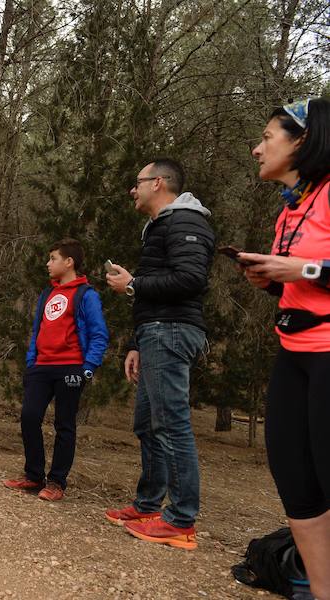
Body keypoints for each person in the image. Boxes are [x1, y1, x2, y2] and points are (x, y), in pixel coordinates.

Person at [237, 97, 330, 599]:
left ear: (302, 140)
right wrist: (269, 280)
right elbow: (298, 283)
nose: (257, 148)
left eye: (267, 137)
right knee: (296, 482)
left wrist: (304, 269)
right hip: (293, 353)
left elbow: (313, 272)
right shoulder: (289, 212)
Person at [104, 158, 215, 550]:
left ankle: (181, 520)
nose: (132, 191)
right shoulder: (161, 226)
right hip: (154, 333)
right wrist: (135, 343)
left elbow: (191, 279)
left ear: (159, 183)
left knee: (171, 425)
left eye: (137, 183)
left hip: (171, 331)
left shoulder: (186, 221)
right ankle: (149, 505)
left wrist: (134, 284)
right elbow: (155, 288)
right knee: (147, 424)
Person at [3, 238, 109, 501]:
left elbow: (99, 334)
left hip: (71, 368)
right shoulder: (47, 294)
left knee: (64, 425)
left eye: (53, 258)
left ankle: (57, 482)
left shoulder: (87, 295)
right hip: (41, 367)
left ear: (69, 262)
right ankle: (34, 475)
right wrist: (31, 363)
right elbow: (37, 331)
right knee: (29, 417)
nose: (48, 263)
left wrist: (88, 368)